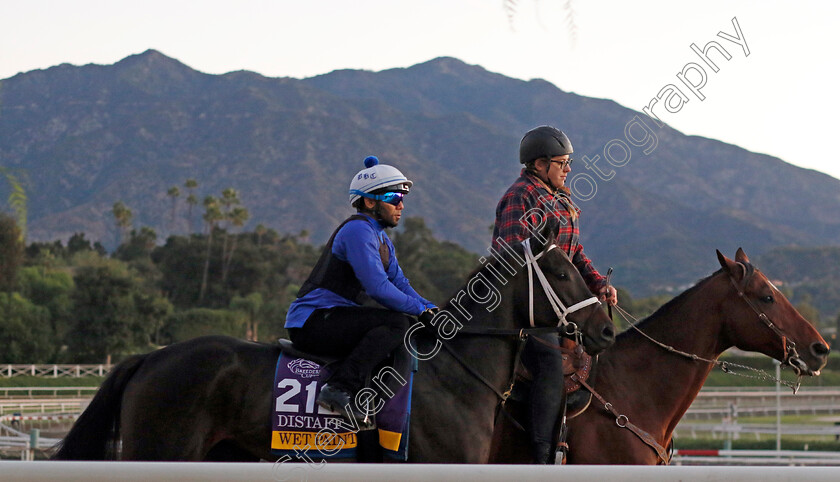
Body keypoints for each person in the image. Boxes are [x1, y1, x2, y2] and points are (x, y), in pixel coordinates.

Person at [492, 125, 617, 464]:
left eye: (568, 163)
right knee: (549, 363)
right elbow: (512, 257)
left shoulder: (560, 198)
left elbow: (573, 254)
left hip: (563, 305)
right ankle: (543, 456)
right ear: (539, 164)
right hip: (528, 310)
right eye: (562, 163)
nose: (568, 169)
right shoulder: (521, 197)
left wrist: (597, 285)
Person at [285, 156, 437, 428]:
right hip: (312, 322)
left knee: (405, 321)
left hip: (335, 318)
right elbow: (378, 288)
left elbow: (400, 284)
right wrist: (420, 311)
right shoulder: (357, 231)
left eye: (403, 197)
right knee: (397, 323)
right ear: (369, 202)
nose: (401, 205)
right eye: (394, 197)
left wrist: (432, 309)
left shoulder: (381, 238)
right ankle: (339, 388)